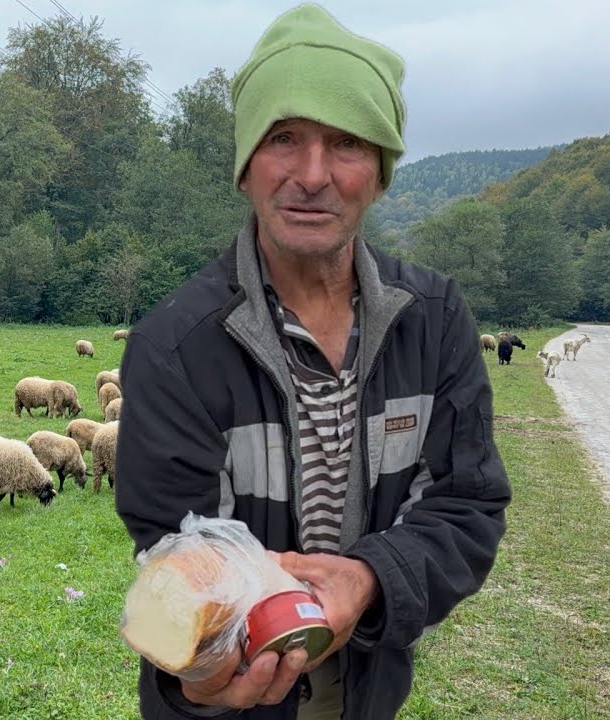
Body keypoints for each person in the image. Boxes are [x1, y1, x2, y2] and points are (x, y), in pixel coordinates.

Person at [114, 5, 511, 720]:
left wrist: (368, 579)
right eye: (283, 138)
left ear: (382, 174)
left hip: (369, 695)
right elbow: (177, 561)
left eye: (348, 143)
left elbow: (467, 505)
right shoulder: (174, 348)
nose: (312, 173)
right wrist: (198, 687)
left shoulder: (435, 319)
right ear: (243, 167)